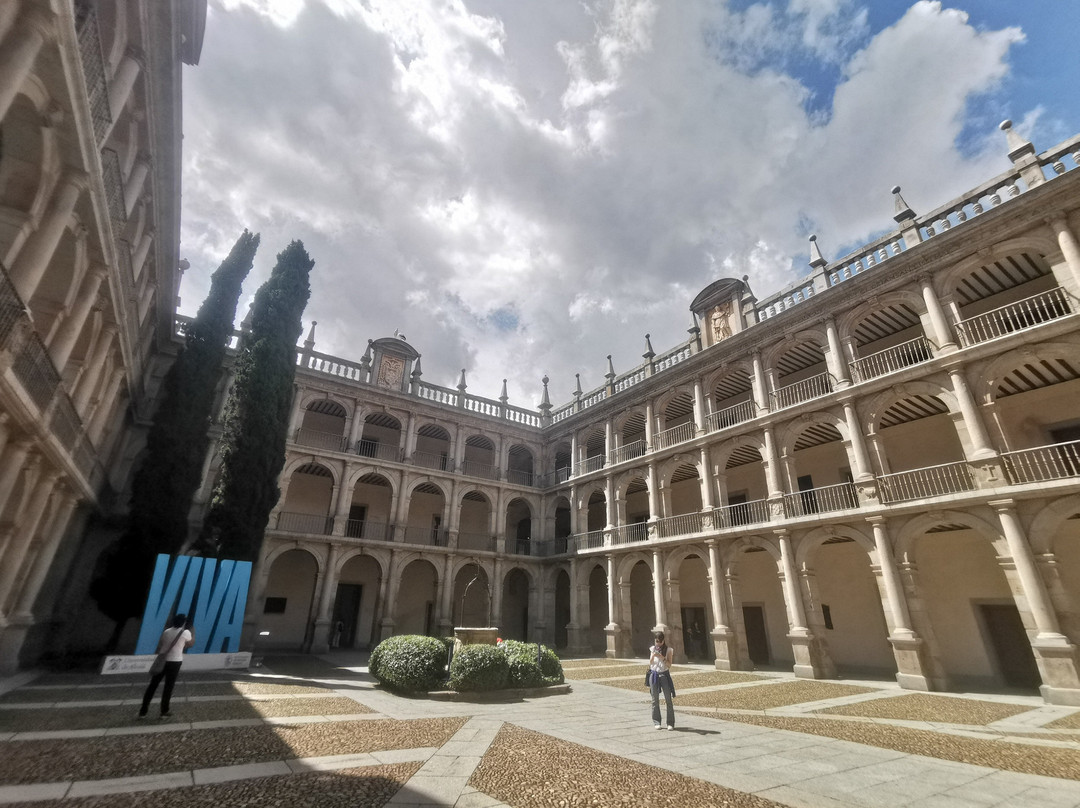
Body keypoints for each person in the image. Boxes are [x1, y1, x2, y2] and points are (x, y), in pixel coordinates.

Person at [139, 613, 194, 719]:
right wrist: (193, 632)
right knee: (168, 687)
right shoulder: (185, 632)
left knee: (153, 685)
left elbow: (162, 643)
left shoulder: (166, 631)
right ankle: (164, 711)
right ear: (183, 623)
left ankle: (143, 711)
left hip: (162, 661)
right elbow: (190, 644)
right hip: (175, 662)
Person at [648, 631, 676, 730]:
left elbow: (669, 665)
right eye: (656, 641)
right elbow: (650, 663)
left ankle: (670, 722)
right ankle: (656, 721)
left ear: (663, 641)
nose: (658, 644)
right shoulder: (652, 649)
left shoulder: (669, 650)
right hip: (654, 674)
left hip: (664, 674)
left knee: (668, 699)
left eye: (659, 642)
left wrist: (662, 657)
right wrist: (653, 656)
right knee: (655, 700)